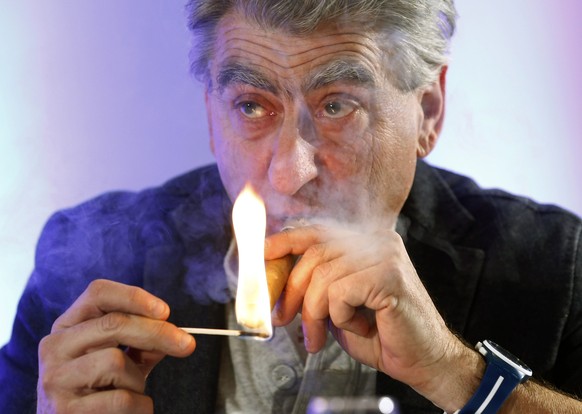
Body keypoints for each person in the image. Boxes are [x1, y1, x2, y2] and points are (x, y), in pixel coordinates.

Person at [1, 0, 581, 412]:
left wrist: (457, 375)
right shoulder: (80, 261)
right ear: (211, 115)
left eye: (338, 106)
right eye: (251, 106)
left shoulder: (557, 264)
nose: (288, 172)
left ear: (427, 112)